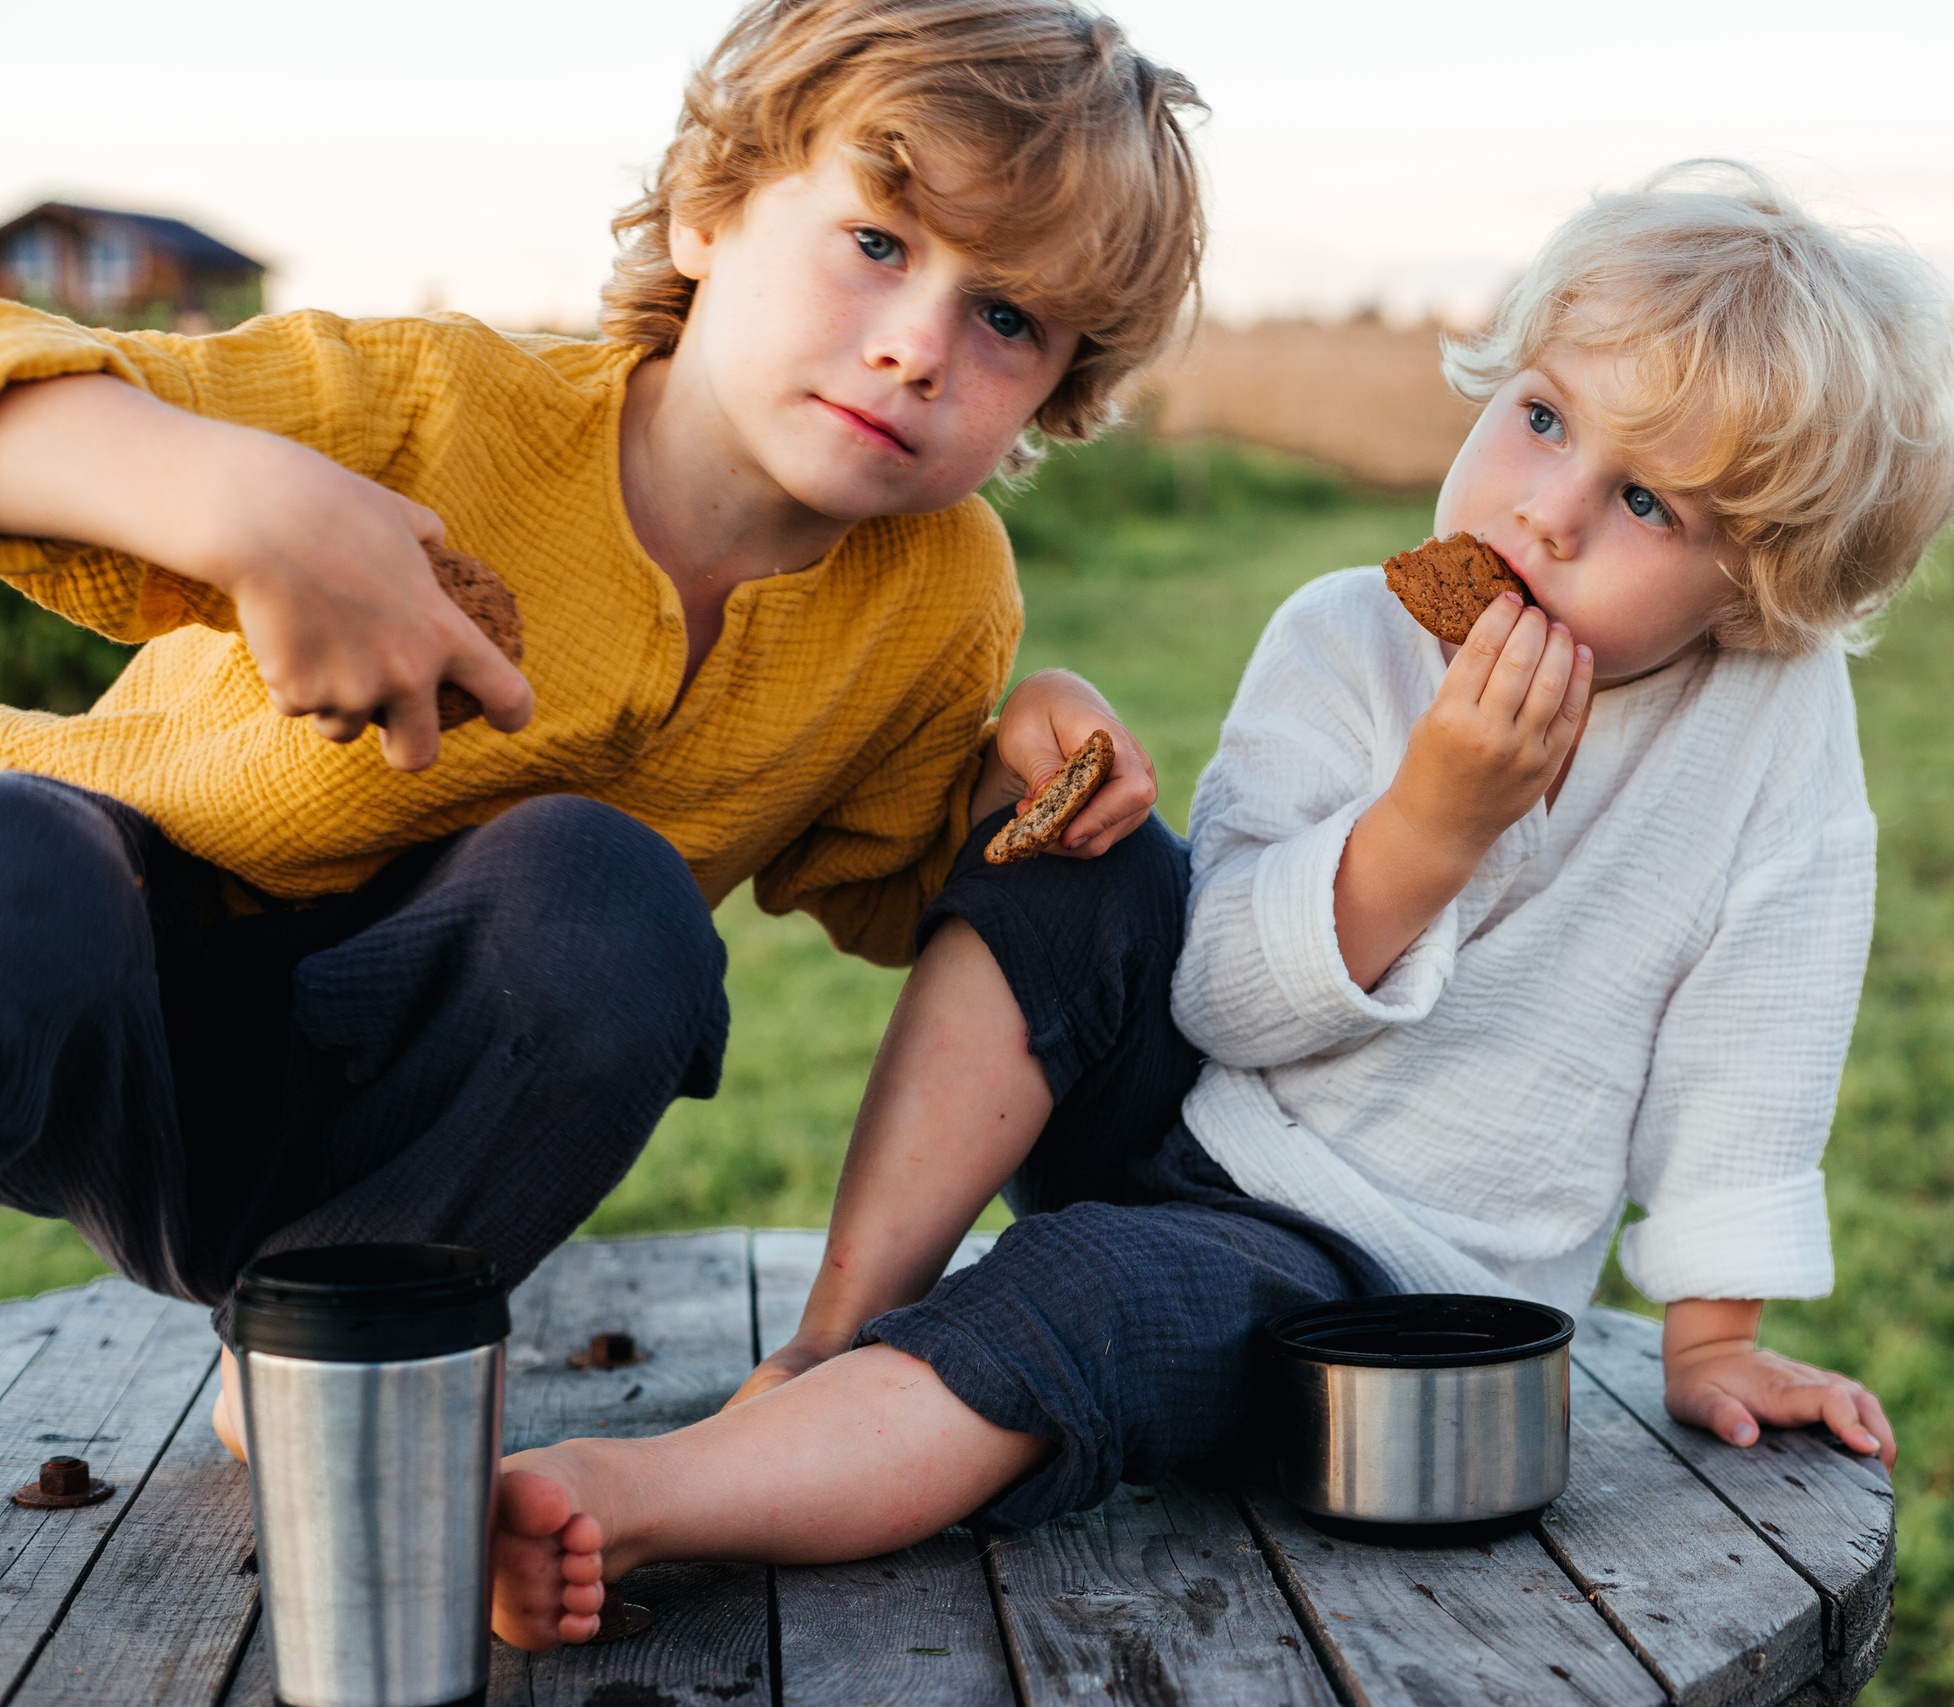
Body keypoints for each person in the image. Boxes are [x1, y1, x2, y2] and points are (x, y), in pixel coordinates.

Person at [485, 158, 1954, 1651]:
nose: (1550, 511)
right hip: (1191, 1091)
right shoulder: (1350, 636)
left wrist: (1717, 1337)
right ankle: (825, 1336)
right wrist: (1425, 827)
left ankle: (644, 1495)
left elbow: (1763, 1032)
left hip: (1366, 1267)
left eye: (1648, 500)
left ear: (1761, 585)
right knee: (1078, 869)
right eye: (1539, 418)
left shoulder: (1771, 732)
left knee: (1079, 1301)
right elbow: (1218, 995)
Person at [0, 0, 1204, 1461]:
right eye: (879, 244)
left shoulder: (937, 594)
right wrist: (252, 504)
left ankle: (345, 1342)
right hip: (93, 978)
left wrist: (1029, 744)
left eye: (1008, 319)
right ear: (712, 209)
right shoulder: (434, 403)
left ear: (1056, 396)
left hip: (403, 1098)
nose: (917, 347)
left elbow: (911, 898)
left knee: (607, 902)